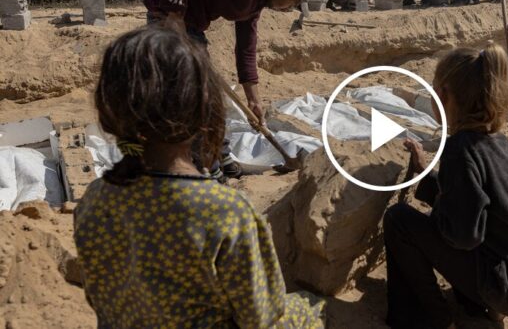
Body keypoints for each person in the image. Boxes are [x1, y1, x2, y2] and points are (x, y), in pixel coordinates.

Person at [75, 25, 324, 328]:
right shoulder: (225, 213)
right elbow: (261, 317)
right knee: (310, 309)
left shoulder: (95, 200)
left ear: (108, 109)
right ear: (203, 110)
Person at [384, 45, 508, 329]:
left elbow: (463, 236)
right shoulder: (496, 142)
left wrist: (435, 220)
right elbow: (475, 204)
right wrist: (426, 175)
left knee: (399, 220)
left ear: (445, 96)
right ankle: (477, 304)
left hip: (506, 287)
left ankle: (430, 317)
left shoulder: (460, 149)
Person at [144, 0, 313, 178]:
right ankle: (210, 170)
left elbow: (246, 49)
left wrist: (254, 101)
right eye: (293, 3)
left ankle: (222, 157)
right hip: (166, 20)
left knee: (209, 97)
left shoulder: (255, 5)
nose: (289, 9)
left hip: (192, 28)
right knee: (194, 99)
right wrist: (174, 13)